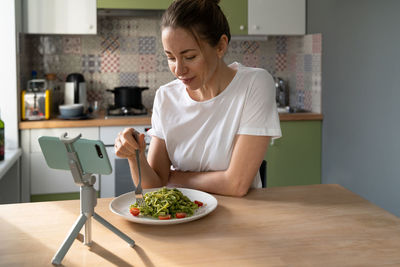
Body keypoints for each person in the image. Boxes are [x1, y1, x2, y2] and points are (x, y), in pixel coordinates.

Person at [114, 0, 281, 197]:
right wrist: (135, 156)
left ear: (220, 46)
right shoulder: (166, 97)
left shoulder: (254, 84)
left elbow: (236, 185)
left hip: (240, 218)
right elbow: (153, 187)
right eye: (170, 57)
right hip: (182, 217)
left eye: (190, 57)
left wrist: (173, 178)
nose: (179, 69)